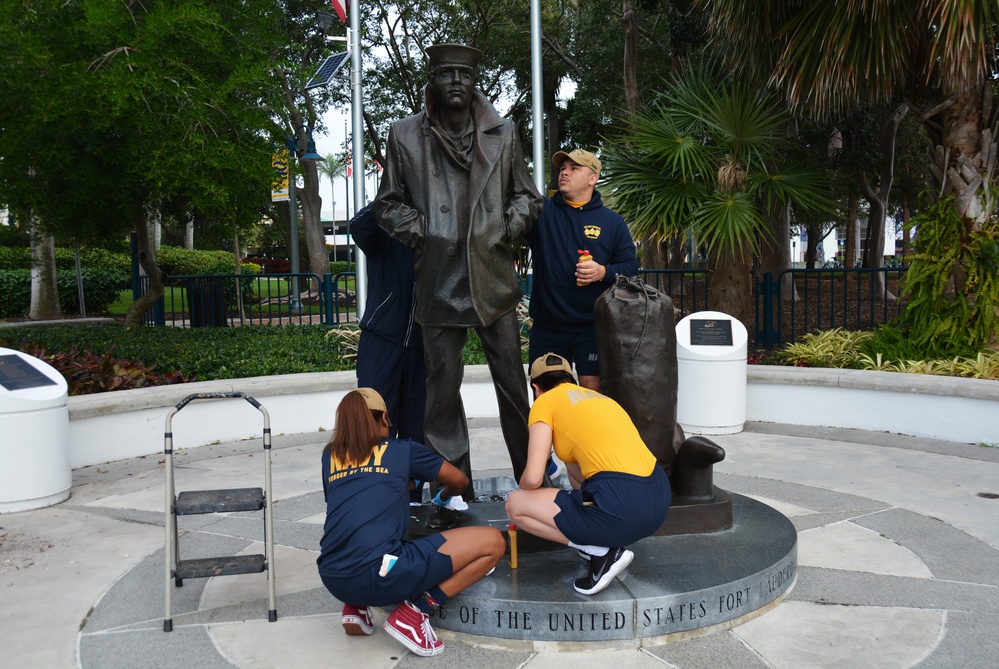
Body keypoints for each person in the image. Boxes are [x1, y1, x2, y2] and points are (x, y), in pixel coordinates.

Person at [373, 43, 544, 497]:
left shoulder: (502, 133)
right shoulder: (404, 134)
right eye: (446, 74)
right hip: (438, 281)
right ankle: (454, 492)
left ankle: (535, 482)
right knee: (441, 398)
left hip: (492, 282)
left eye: (463, 75)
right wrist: (426, 232)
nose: (455, 82)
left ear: (474, 82)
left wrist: (504, 226)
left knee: (513, 389)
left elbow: (528, 195)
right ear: (432, 79)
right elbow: (387, 205)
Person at [317, 388, 504, 657]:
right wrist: (442, 496)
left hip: (332, 576)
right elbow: (460, 481)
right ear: (383, 419)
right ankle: (415, 613)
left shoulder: (329, 455)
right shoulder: (401, 450)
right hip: (381, 577)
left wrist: (407, 482)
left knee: (359, 534)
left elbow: (353, 499)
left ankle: (355, 607)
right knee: (493, 543)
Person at [505, 353, 670, 595]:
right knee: (579, 487)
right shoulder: (601, 398)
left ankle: (601, 552)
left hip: (622, 505)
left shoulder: (545, 401)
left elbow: (532, 478)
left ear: (536, 387)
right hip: (658, 499)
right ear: (570, 379)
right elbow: (580, 477)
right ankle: (597, 541)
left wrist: (523, 489)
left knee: (515, 504)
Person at [527, 149, 639, 391]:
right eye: (563, 168)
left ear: (592, 178)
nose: (564, 172)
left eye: (574, 168)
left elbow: (631, 266)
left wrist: (603, 272)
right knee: (547, 394)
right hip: (548, 326)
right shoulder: (540, 213)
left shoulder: (612, 222)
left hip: (593, 326)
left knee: (592, 390)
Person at [351, 204, 428, 504]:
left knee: (416, 426)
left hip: (423, 345)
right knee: (372, 420)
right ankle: (372, 493)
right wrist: (391, 194)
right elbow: (359, 227)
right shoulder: (383, 229)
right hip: (381, 340)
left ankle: (412, 496)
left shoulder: (434, 231)